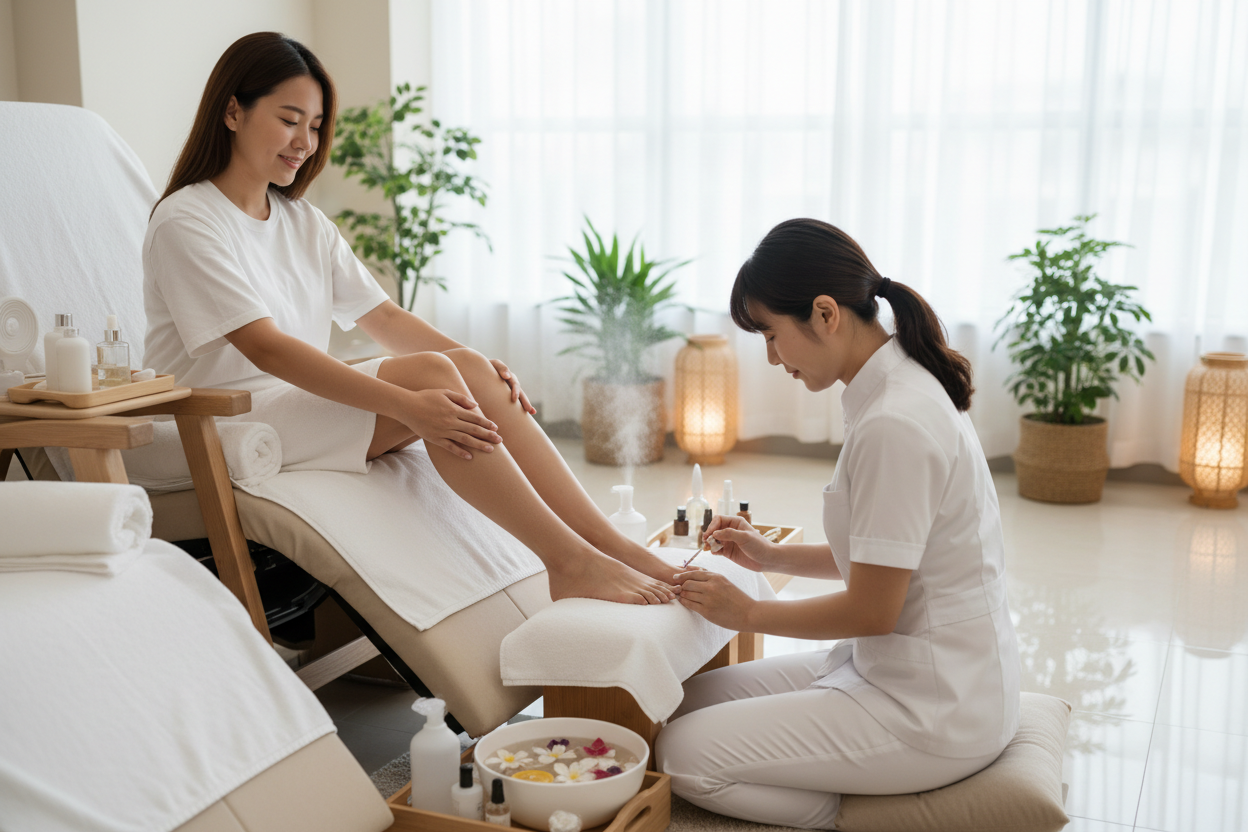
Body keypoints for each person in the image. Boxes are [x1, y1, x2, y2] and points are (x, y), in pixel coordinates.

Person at [142, 32, 678, 605]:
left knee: (464, 368)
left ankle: (610, 545)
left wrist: (479, 367)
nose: (305, 141)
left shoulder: (301, 222)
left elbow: (384, 317)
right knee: (428, 379)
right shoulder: (188, 221)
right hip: (221, 418)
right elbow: (266, 349)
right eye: (289, 119)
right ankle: (568, 561)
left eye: (316, 125)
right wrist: (405, 406)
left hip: (288, 404)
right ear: (232, 110)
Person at [658, 219, 1020, 828]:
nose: (772, 357)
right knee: (678, 704)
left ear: (825, 313)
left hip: (935, 707)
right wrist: (770, 558)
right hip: (906, 667)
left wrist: (747, 613)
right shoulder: (895, 386)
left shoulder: (894, 422)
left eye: (771, 335)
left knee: (678, 755)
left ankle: (851, 816)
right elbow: (891, 554)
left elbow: (872, 610)